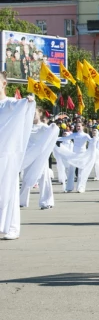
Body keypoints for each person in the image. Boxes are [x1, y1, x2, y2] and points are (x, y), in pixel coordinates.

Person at [0, 71, 36, 240]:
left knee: (10, 190)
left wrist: (28, 101)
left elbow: (21, 105)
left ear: (4, 84)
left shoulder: (10, 103)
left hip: (8, 155)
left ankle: (12, 228)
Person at [20, 107, 59, 210]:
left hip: (40, 157)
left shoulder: (43, 127)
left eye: (35, 113)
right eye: (31, 113)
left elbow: (52, 131)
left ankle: (46, 202)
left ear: (40, 114)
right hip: (28, 156)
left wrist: (53, 126)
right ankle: (21, 201)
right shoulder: (26, 126)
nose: (33, 115)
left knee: (44, 178)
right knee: (26, 178)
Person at [56, 121, 94, 193]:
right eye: (77, 126)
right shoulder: (74, 134)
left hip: (82, 155)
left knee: (81, 172)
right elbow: (64, 138)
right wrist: (55, 138)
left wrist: (95, 138)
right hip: (74, 155)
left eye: (79, 126)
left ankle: (80, 187)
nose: (78, 127)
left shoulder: (86, 135)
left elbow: (91, 141)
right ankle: (69, 187)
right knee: (71, 171)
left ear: (83, 127)